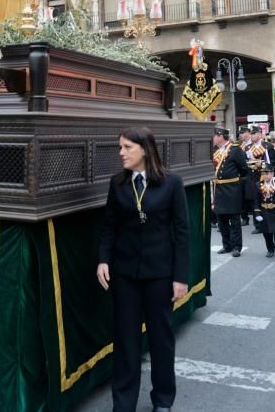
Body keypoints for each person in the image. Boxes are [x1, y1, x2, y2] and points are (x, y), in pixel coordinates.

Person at [97, 126, 189, 412]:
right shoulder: (118, 183)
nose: (121, 153)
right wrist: (103, 260)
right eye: (120, 147)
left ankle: (163, 399)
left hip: (160, 274)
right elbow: (110, 227)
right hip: (124, 274)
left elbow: (182, 232)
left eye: (127, 147)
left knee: (161, 339)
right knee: (125, 340)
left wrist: (180, 277)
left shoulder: (172, 183)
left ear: (145, 150)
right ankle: (123, 403)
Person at [210, 127, 249, 256]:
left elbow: (244, 169)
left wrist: (236, 182)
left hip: (232, 188)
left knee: (234, 219)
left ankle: (237, 246)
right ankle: (226, 245)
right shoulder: (215, 150)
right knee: (221, 219)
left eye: (215, 136)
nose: (213, 138)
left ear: (221, 136)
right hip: (219, 189)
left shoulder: (235, 149)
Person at [254, 167, 275, 260]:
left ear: (272, 174)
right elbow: (256, 200)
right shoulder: (258, 184)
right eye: (263, 174)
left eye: (267, 173)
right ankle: (270, 249)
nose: (264, 176)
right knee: (266, 233)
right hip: (264, 211)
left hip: (274, 210)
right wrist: (257, 214)